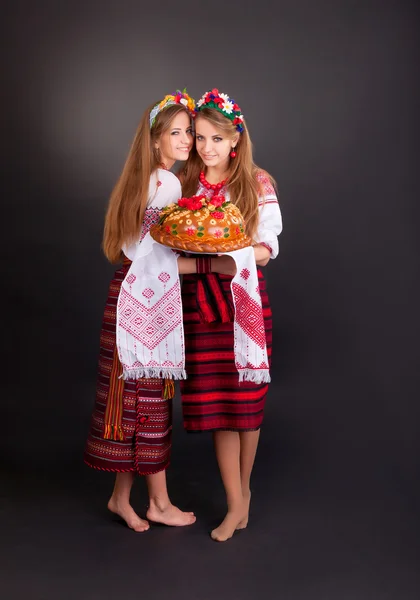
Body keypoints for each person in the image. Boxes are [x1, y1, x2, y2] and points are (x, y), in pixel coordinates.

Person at [84, 90, 203, 532]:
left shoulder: (142, 178)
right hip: (144, 299)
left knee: (133, 400)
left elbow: (131, 250)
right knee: (148, 402)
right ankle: (159, 503)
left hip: (126, 293)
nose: (187, 139)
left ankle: (121, 498)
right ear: (155, 141)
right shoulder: (167, 183)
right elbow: (161, 257)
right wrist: (222, 262)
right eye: (176, 132)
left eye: (188, 131)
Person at [179, 88, 283, 541]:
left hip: (244, 301)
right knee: (219, 404)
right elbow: (171, 237)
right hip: (201, 303)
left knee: (247, 404)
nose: (206, 148)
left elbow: (266, 250)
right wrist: (210, 256)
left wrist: (229, 255)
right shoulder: (185, 183)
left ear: (234, 139)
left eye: (216, 139)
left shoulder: (257, 183)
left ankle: (243, 494)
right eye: (200, 139)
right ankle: (235, 501)